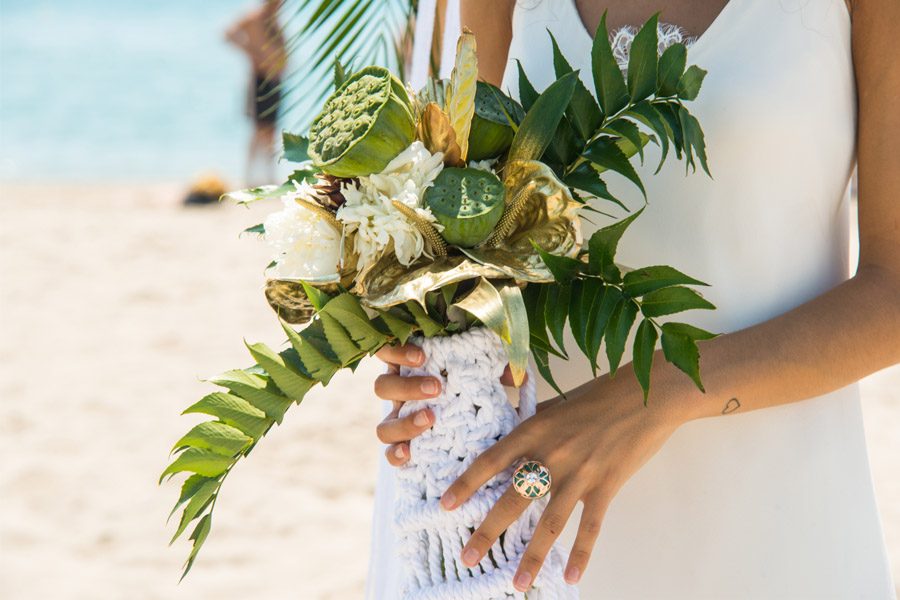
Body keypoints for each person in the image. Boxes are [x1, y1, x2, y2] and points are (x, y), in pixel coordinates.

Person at [369, 0, 899, 597]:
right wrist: (430, 368)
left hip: (779, 530)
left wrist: (655, 393)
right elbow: (464, 231)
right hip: (542, 543)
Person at [225, 0, 287, 186]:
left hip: (274, 79)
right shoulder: (255, 17)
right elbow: (229, 34)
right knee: (258, 128)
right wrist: (253, 53)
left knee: (271, 129)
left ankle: (268, 175)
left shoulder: (273, 19)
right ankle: (249, 176)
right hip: (261, 78)